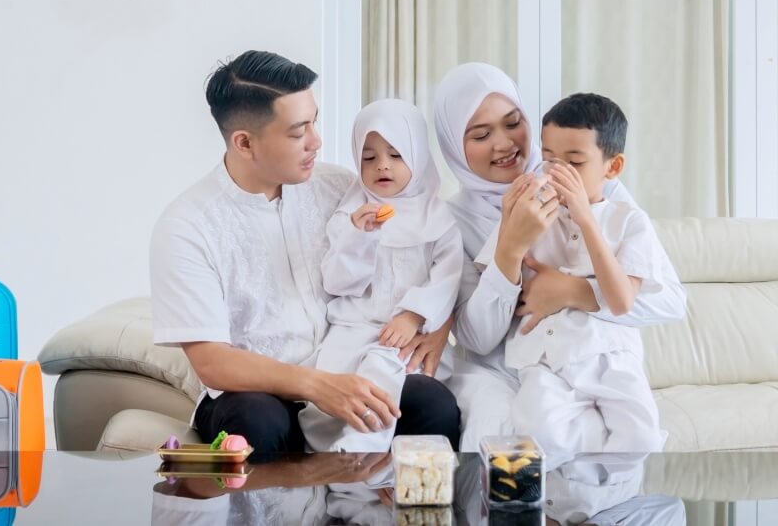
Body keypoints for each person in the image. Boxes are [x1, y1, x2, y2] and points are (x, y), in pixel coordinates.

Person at [149, 50, 460, 455]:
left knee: (429, 402)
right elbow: (212, 361)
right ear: (245, 142)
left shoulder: (339, 188)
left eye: (315, 121)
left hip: (353, 368)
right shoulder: (187, 226)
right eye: (298, 133)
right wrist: (319, 387)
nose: (317, 141)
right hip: (256, 394)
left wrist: (437, 323)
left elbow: (423, 255)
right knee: (256, 420)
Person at [432, 62, 686, 452]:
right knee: (503, 426)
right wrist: (510, 250)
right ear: (453, 144)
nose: (504, 144)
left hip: (593, 359)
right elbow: (477, 339)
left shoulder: (589, 181)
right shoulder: (452, 219)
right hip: (507, 371)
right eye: (481, 134)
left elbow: (668, 300)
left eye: (513, 122)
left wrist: (573, 291)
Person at [474, 93, 670, 458]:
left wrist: (585, 217)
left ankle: (610, 507)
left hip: (611, 357)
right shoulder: (528, 213)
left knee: (640, 439)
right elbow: (493, 290)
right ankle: (556, 513)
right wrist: (511, 226)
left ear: (612, 167)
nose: (556, 173)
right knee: (539, 434)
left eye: (574, 163)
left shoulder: (629, 221)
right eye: (548, 159)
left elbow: (622, 301)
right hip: (544, 359)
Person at [298, 99, 462, 452]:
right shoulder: (349, 215)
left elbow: (447, 278)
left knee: (392, 377)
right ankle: (345, 477)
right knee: (325, 412)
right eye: (369, 157)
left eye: (396, 155)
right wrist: (360, 237)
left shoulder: (439, 219)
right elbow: (338, 283)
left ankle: (364, 450)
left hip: (408, 338)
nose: (382, 166)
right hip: (352, 330)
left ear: (417, 156)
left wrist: (413, 315)